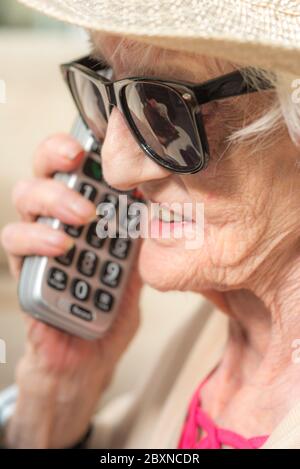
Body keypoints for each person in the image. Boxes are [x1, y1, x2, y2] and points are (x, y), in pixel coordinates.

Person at [1, 0, 300, 449]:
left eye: (166, 109)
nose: (116, 168)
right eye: (105, 83)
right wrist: (59, 393)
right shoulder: (219, 329)